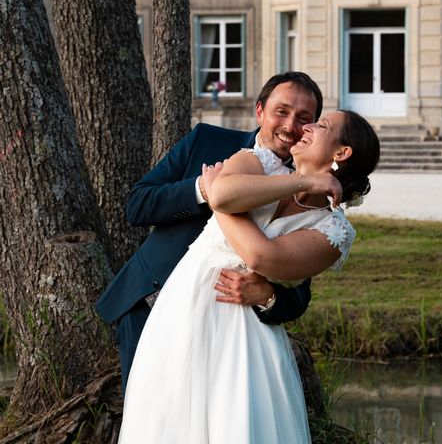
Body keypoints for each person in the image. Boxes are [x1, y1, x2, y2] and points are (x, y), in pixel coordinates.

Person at [118, 109, 380, 443]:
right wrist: (305, 180)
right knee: (167, 416)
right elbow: (226, 196)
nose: (307, 127)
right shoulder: (258, 161)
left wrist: (219, 202)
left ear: (341, 153)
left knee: (236, 422)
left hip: (244, 332)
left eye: (322, 124)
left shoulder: (333, 231)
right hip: (183, 309)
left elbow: (260, 256)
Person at [95, 72, 323, 392]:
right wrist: (203, 188)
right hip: (152, 304)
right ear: (260, 111)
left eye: (303, 118)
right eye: (281, 111)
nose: (289, 126)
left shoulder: (308, 192)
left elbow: (299, 291)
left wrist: (269, 296)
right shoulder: (207, 140)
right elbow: (137, 205)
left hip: (226, 329)